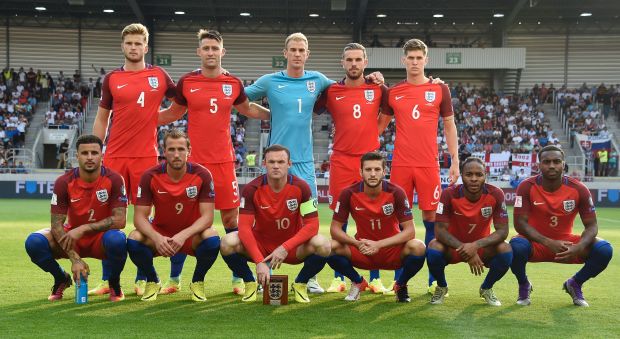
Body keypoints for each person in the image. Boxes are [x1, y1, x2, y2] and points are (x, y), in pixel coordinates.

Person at [245, 33, 383, 294]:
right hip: (277, 163)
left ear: (307, 54)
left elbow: (347, 88)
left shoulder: (318, 81)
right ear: (285, 53)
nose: (297, 54)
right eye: (293, 50)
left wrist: (374, 79)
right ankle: (266, 273)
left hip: (305, 165)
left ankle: (309, 278)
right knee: (268, 219)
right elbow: (238, 99)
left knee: (309, 220)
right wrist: (268, 113)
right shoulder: (270, 81)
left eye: (302, 50)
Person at [158, 29, 269, 295]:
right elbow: (173, 112)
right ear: (199, 52)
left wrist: (279, 113)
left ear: (222, 51)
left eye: (214, 48)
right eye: (205, 48)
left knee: (232, 219)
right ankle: (174, 280)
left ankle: (237, 278)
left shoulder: (233, 83)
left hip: (223, 162)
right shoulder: (187, 83)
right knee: (184, 220)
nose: (210, 52)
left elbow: (248, 109)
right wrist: (138, 118)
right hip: (191, 165)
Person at [90, 23, 184, 297]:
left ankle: (144, 276)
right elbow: (101, 117)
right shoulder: (111, 79)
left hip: (146, 158)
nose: (133, 47)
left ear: (146, 46)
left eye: (138, 43)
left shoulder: (159, 75)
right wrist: (97, 150)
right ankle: (108, 279)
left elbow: (180, 104)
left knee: (150, 219)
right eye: (129, 43)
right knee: (110, 219)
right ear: (123, 46)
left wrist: (154, 119)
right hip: (115, 156)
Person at [313, 43, 394, 294]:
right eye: (349, 60)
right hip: (341, 160)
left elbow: (389, 112)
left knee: (374, 216)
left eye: (358, 59)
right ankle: (339, 277)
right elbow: (312, 108)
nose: (354, 64)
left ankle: (376, 276)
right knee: (341, 218)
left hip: (370, 161)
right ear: (342, 63)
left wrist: (375, 132)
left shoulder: (378, 89)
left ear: (366, 62)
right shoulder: (331, 90)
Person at [383, 38, 459, 293]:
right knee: (397, 221)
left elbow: (449, 126)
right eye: (410, 58)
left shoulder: (440, 90)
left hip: (428, 165)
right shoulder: (393, 92)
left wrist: (454, 159)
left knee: (430, 219)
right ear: (403, 60)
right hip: (401, 165)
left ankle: (432, 281)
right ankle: (398, 280)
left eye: (419, 58)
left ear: (426, 60)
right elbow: (378, 124)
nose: (415, 62)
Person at [219, 144, 331, 303]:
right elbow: (244, 228)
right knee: (226, 242)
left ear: (289, 164)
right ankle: (250, 283)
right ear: (264, 164)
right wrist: (259, 261)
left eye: (281, 161)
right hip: (262, 246)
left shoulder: (302, 187)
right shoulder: (252, 189)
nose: (276, 166)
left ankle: (300, 284)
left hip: (292, 248)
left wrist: (285, 247)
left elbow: (312, 225)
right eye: (271, 162)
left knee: (324, 244)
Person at [24, 134, 128, 302]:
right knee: (34, 242)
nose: (89, 157)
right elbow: (56, 225)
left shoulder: (114, 179)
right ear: (77, 156)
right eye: (84, 153)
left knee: (118, 240)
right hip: (72, 238)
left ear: (102, 155)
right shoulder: (63, 182)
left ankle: (114, 283)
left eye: (94, 153)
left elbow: (120, 220)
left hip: (101, 239)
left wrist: (84, 228)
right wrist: (75, 259)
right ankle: (61, 278)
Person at [510, 145, 613, 307]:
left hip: (566, 245)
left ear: (563, 164)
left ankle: (575, 283)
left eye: (556, 161)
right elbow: (519, 224)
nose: (552, 165)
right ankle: (524, 284)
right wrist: (547, 242)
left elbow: (592, 226)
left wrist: (579, 247)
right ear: (539, 165)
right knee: (515, 247)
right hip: (535, 243)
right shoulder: (526, 186)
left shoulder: (579, 189)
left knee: (604, 249)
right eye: (547, 162)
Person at [127, 130, 220, 302]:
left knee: (212, 236)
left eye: (181, 149)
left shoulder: (202, 175)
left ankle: (197, 281)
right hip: (160, 232)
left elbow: (208, 217)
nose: (176, 154)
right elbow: (139, 217)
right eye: (171, 149)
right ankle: (153, 280)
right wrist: (157, 238)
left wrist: (183, 235)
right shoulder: (150, 176)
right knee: (133, 238)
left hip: (190, 235)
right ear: (164, 151)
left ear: (189, 151)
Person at [327, 151, 426, 302]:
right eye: (368, 170)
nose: (372, 174)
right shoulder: (348, 193)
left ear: (384, 172)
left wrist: (379, 244)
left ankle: (401, 284)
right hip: (362, 249)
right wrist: (357, 243)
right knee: (328, 247)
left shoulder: (396, 192)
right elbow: (335, 229)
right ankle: (357, 281)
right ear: (361, 172)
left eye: (377, 169)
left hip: (391, 251)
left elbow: (410, 231)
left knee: (418, 247)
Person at [427, 157, 513, 306]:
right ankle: (441, 286)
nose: (474, 179)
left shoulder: (496, 194)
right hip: (453, 248)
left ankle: (486, 288)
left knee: (506, 249)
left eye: (479, 175)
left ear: (485, 176)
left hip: (481, 250)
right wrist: (467, 249)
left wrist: (475, 246)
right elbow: (439, 231)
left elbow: (503, 231)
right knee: (434, 247)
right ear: (461, 174)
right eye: (469, 174)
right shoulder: (449, 194)